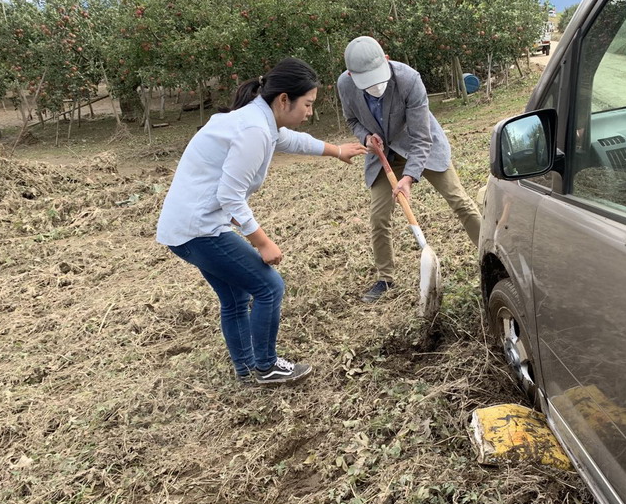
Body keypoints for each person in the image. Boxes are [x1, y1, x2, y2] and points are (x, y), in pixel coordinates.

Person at [156, 57, 367, 385]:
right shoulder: (254, 128)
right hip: (199, 229)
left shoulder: (258, 120)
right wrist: (263, 242)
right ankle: (266, 366)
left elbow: (292, 141)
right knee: (269, 286)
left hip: (184, 228)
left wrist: (337, 150)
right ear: (284, 99)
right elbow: (230, 195)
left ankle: (247, 368)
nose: (310, 112)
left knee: (236, 297)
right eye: (308, 104)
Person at [337, 36, 482, 303]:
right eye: (367, 82)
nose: (375, 87)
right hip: (383, 153)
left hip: (419, 144)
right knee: (379, 217)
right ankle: (385, 278)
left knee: (459, 201)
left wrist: (409, 177)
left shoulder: (409, 79)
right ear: (350, 74)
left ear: (387, 60)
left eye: (378, 78)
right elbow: (352, 120)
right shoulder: (345, 85)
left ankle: (489, 254)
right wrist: (366, 137)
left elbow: (422, 137)